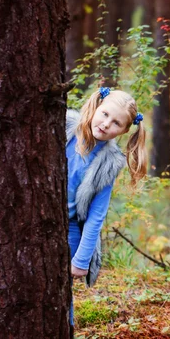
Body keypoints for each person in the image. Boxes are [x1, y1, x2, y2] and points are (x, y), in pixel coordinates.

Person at [66, 86, 147, 290]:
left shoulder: (108, 163)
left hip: (70, 229)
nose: (106, 124)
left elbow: (96, 216)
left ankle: (67, 323)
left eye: (116, 123)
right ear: (97, 107)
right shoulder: (64, 127)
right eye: (105, 114)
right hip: (34, 219)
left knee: (57, 294)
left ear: (124, 130)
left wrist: (81, 260)